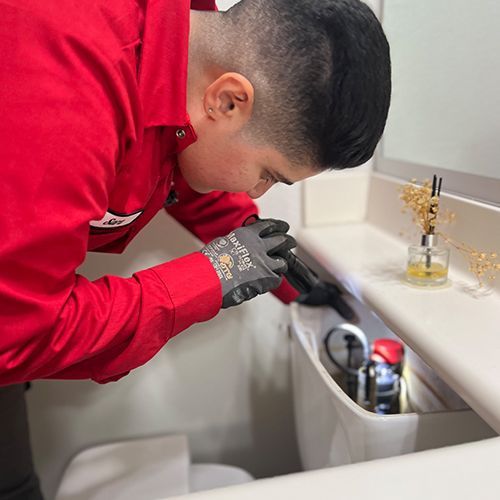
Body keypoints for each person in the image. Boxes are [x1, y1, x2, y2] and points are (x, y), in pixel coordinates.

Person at [0, 0, 391, 497]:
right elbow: (17, 333)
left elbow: (174, 165)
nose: (255, 193)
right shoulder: (71, 81)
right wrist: (210, 276)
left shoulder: (187, 49)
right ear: (228, 100)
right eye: (269, 174)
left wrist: (285, 276)